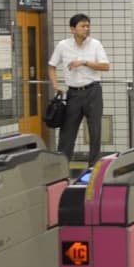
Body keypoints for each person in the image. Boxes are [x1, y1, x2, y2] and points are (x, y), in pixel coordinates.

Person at [48, 13, 110, 165]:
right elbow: (51, 66)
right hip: (73, 93)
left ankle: (93, 167)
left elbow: (105, 66)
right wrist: (55, 85)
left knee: (95, 131)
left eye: (88, 26)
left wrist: (83, 62)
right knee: (67, 132)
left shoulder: (95, 44)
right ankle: (62, 167)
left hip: (93, 91)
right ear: (72, 29)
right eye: (83, 26)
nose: (86, 29)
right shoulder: (63, 45)